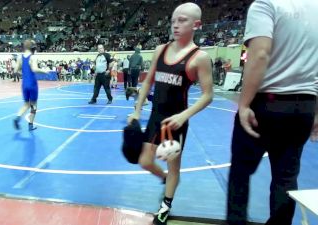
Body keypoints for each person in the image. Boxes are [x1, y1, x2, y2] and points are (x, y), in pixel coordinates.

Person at [226, 1, 318, 225]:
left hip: (267, 104)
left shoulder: (266, 4)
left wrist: (245, 103)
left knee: (240, 174)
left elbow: (259, 54)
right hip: (304, 106)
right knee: (286, 178)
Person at [127, 3, 213, 225]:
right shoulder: (161, 50)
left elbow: (207, 95)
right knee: (145, 161)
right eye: (173, 20)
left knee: (174, 166)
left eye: (182, 20)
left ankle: (165, 206)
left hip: (175, 123)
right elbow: (148, 81)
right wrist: (137, 110)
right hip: (156, 117)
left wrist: (184, 116)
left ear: (197, 25)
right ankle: (166, 180)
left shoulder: (199, 57)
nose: (175, 25)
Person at [13, 40, 51, 131]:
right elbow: (34, 69)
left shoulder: (19, 57)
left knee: (26, 104)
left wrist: (23, 75)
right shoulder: (33, 57)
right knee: (34, 105)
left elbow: (15, 71)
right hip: (32, 84)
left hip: (24, 84)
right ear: (32, 48)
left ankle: (17, 118)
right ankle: (30, 125)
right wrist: (44, 71)